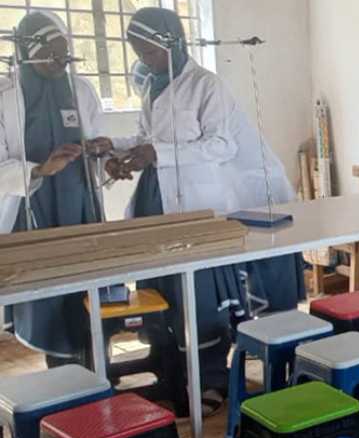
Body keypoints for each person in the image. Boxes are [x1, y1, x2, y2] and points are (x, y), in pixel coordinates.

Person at [106, 7, 301, 412]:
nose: (143, 60)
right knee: (164, 291)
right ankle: (173, 372)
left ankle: (212, 379)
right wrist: (115, 147)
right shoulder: (152, 85)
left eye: (148, 51)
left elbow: (222, 145)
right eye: (138, 52)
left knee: (200, 296)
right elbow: (146, 136)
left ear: (172, 44)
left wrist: (156, 153)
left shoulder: (206, 86)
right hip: (160, 199)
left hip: (199, 202)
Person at [0, 11, 111, 366]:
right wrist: (40, 170)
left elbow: (96, 135)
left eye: (65, 54)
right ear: (27, 53)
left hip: (80, 203)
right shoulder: (6, 95)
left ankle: (97, 368)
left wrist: (99, 151)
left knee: (89, 287)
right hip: (33, 208)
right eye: (51, 55)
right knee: (48, 295)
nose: (61, 62)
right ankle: (63, 372)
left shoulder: (80, 89)